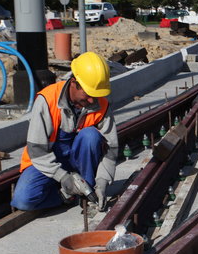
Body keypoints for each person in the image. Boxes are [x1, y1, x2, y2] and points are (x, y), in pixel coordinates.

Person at [11, 51, 118, 212]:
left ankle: (86, 191)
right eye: (88, 95)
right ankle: (65, 196)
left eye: (96, 95)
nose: (92, 101)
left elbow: (111, 149)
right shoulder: (47, 100)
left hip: (79, 159)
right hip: (46, 160)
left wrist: (103, 181)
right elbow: (37, 150)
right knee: (23, 201)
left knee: (90, 135)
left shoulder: (102, 104)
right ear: (74, 82)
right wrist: (62, 177)